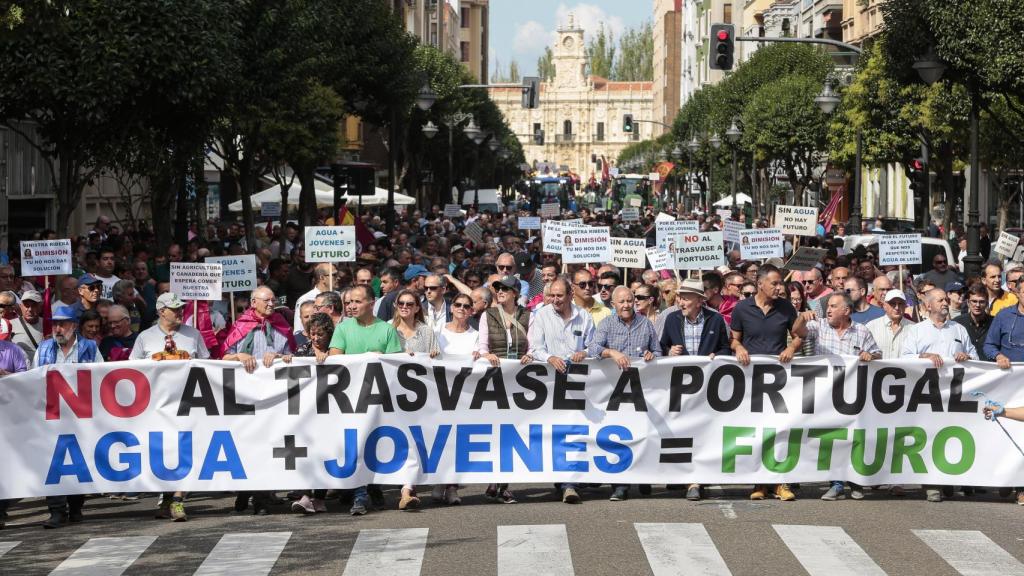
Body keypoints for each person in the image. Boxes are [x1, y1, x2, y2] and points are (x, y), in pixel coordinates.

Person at [729, 265, 805, 502]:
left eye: (780, 283)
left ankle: (780, 482)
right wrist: (739, 347)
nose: (779, 287)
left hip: (780, 381)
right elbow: (733, 340)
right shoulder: (742, 309)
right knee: (757, 430)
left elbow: (799, 335)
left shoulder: (786, 308)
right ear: (760, 283)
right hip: (751, 379)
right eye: (775, 283)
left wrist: (792, 347)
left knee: (779, 429)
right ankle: (759, 483)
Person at [328, 285, 402, 515]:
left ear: (371, 303)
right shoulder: (343, 327)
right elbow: (334, 358)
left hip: (378, 399)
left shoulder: (387, 330)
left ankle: (373, 487)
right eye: (349, 302)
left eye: (357, 302)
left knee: (373, 445)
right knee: (355, 444)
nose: (351, 306)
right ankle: (360, 495)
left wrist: (380, 359)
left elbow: (395, 364)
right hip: (349, 399)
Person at [801, 293, 881, 501]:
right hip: (826, 394)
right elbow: (797, 331)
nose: (828, 309)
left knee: (854, 438)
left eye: (834, 306)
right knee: (832, 438)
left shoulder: (861, 331)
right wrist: (802, 317)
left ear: (846, 311)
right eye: (828, 305)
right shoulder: (818, 326)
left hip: (853, 394)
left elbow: (878, 354)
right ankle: (836, 484)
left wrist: (870, 356)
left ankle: (856, 483)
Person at [902, 287, 977, 503]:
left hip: (954, 395)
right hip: (927, 395)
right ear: (928, 305)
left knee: (951, 436)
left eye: (946, 299)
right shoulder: (916, 331)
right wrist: (923, 356)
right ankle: (932, 484)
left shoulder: (959, 330)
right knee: (931, 437)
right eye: (941, 300)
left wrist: (966, 356)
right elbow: (904, 358)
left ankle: (948, 479)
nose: (945, 303)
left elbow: (974, 356)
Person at [588, 286, 660, 503]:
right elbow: (593, 348)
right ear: (614, 304)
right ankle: (620, 485)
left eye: (630, 300)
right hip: (615, 393)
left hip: (641, 391)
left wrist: (651, 354)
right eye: (622, 302)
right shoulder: (607, 324)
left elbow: (658, 351)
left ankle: (643, 477)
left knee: (642, 433)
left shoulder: (646, 324)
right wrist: (611, 352)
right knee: (620, 437)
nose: (627, 305)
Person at [32, 306, 102, 528]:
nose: (58, 328)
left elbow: (102, 377)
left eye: (62, 324)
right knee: (53, 462)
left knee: (78, 461)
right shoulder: (44, 348)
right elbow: (32, 379)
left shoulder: (89, 347)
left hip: (81, 415)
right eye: (55, 324)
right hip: (52, 414)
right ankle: (56, 511)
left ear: (74, 326)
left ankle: (75, 507)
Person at [288, 312, 336, 514]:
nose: (316, 339)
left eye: (320, 335)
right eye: (312, 334)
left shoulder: (337, 351)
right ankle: (305, 496)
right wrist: (287, 359)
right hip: (306, 413)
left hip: (330, 411)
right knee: (307, 452)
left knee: (325, 451)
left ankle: (320, 498)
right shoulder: (302, 350)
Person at [985, 274, 1024, 369]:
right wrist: (998, 356)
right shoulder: (1004, 315)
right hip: (1010, 377)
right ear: (1017, 293)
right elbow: (989, 345)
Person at [866, 290, 916, 360]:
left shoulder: (914, 328)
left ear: (905, 305)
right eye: (892, 303)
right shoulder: (871, 327)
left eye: (900, 303)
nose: (897, 307)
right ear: (884, 305)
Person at [392, 289, 438, 356]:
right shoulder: (389, 328)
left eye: (409, 304)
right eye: (401, 303)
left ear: (416, 309)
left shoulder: (427, 331)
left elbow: (435, 360)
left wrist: (434, 354)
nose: (404, 306)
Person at [293, 263, 335, 336]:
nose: (338, 278)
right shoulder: (305, 299)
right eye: (334, 275)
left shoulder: (338, 295)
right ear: (322, 278)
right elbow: (298, 330)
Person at [955, 284, 992, 361]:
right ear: (968, 302)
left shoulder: (995, 323)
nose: (977, 305)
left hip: (990, 369)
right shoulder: (957, 323)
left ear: (987, 303)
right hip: (967, 369)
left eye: (981, 302)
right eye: (974, 301)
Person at [4, 290, 42, 357]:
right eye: (26, 305)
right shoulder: (9, 325)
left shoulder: (49, 325)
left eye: (34, 305)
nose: (30, 309)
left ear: (40, 307)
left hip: (44, 366)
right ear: (21, 306)